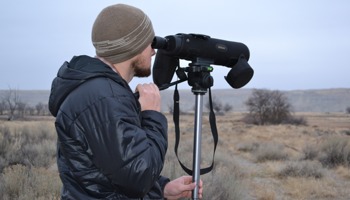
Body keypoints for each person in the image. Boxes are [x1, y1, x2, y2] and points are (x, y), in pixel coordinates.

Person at [48, 3, 203, 200]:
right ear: (134, 47)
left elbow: (110, 175)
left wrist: (162, 189)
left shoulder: (99, 91)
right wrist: (152, 115)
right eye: (150, 43)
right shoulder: (106, 97)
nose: (154, 51)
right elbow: (140, 178)